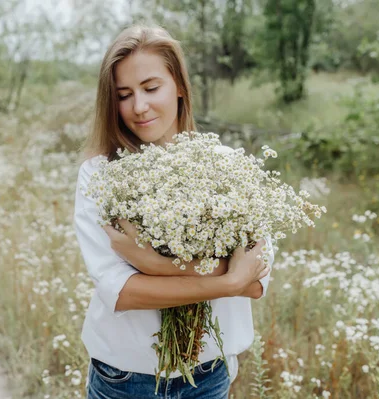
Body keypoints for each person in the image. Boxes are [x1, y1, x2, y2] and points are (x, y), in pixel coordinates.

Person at [73, 24, 274, 399]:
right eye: (124, 95)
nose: (139, 106)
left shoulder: (229, 166)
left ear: (179, 84)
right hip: (124, 377)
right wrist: (227, 280)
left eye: (151, 88)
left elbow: (257, 280)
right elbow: (120, 292)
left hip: (208, 377)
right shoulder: (101, 175)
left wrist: (148, 261)